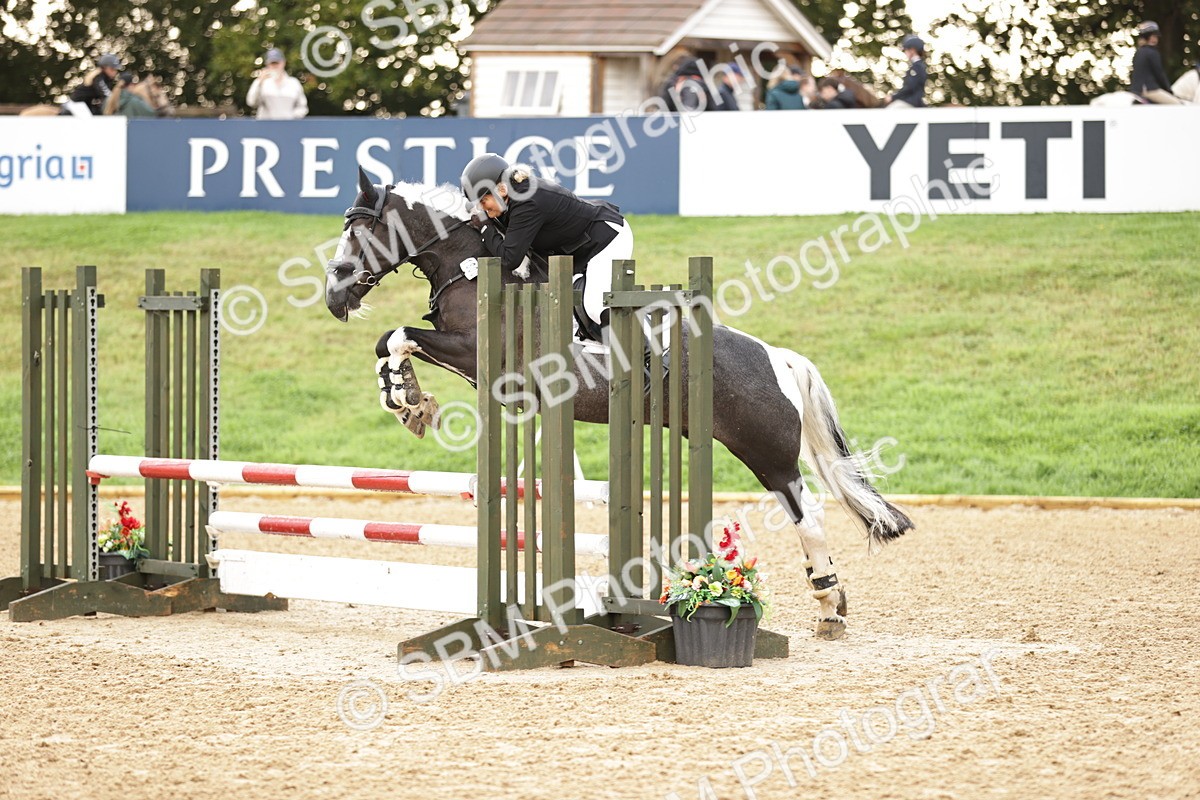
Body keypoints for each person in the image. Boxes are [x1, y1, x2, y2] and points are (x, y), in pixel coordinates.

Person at [460, 153, 632, 340]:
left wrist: (485, 227)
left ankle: (646, 350)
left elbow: (510, 258)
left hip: (606, 239)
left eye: (483, 201)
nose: (482, 208)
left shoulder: (527, 203)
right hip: (582, 250)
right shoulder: (513, 198)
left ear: (501, 190)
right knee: (574, 308)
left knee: (594, 306)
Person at [246, 48, 309, 119]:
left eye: (277, 63)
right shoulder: (260, 82)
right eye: (272, 63)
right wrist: (259, 82)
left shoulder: (294, 83)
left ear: (283, 63)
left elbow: (303, 107)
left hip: (288, 125)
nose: (274, 66)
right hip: (266, 124)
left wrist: (291, 117)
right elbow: (251, 102)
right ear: (267, 64)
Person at [1129, 21, 1181, 104]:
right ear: (1147, 37)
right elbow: (1159, 74)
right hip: (1149, 89)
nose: (1156, 39)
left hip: (1136, 89)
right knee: (1177, 104)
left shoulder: (1138, 52)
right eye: (1154, 36)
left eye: (1156, 37)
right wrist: (1169, 91)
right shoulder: (1152, 52)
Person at [886, 35, 927, 108]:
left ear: (912, 50)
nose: (905, 52)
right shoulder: (916, 66)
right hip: (909, 100)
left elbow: (910, 87)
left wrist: (893, 97)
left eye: (906, 50)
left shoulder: (917, 67)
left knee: (891, 109)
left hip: (912, 101)